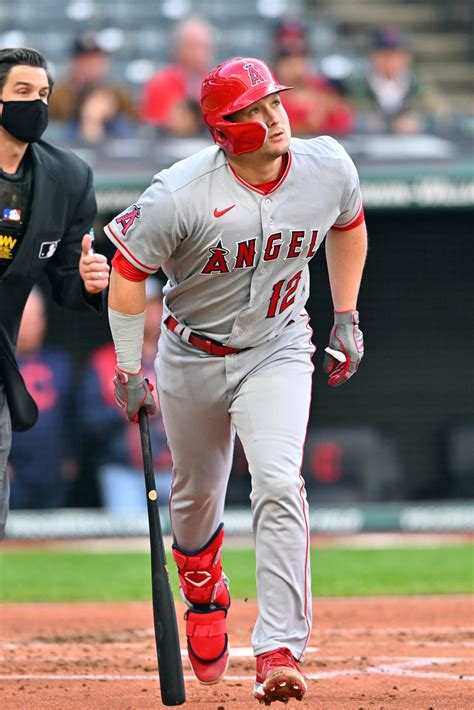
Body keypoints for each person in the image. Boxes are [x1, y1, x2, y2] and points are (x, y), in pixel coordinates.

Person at [105, 57, 367, 705]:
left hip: (278, 344)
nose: (272, 116)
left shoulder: (326, 165)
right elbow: (128, 269)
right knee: (195, 499)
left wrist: (347, 315)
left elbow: (348, 226)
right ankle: (202, 586)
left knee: (279, 480)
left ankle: (280, 646)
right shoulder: (178, 192)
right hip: (191, 353)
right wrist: (129, 369)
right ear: (224, 129)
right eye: (252, 110)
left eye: (273, 102)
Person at [0, 47, 110, 537]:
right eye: (22, 93)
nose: (36, 105)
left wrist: (87, 281)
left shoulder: (67, 177)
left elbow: (65, 282)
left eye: (43, 94)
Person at [80, 278, 172, 513]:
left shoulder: (179, 357)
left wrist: (172, 404)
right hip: (124, 472)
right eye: (139, 304)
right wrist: (129, 407)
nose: (148, 312)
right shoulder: (103, 360)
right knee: (129, 543)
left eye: (152, 304)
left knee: (186, 541)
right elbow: (88, 421)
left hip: (177, 470)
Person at [8, 288, 77, 509]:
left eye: (37, 319)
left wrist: (71, 457)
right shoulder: (4, 365)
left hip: (53, 473)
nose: (33, 327)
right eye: (27, 320)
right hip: (12, 475)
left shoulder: (59, 363)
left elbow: (71, 414)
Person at [347, 26, 440, 134]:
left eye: (397, 55)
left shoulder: (418, 84)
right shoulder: (357, 83)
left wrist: (419, 121)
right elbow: (345, 114)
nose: (391, 61)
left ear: (407, 58)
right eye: (384, 55)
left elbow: (438, 112)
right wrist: (364, 122)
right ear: (372, 56)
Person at [272, 19, 354, 136]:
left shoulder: (323, 87)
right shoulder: (266, 90)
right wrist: (307, 124)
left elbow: (343, 123)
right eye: (288, 59)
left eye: (299, 57)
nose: (294, 65)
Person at [48, 32, 137, 126]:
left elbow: (135, 125)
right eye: (86, 60)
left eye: (97, 59)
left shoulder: (119, 94)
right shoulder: (57, 96)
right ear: (75, 62)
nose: (93, 65)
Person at [140, 18, 214, 130]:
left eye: (205, 47)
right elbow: (154, 127)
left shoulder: (215, 83)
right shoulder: (159, 83)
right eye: (194, 46)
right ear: (179, 48)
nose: (201, 53)